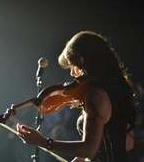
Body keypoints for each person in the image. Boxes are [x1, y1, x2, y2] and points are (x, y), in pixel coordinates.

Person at [16, 31, 136, 162]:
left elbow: (88, 149)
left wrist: (43, 142)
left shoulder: (95, 95)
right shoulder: (115, 90)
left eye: (73, 66)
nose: (72, 73)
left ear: (83, 61)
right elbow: (127, 144)